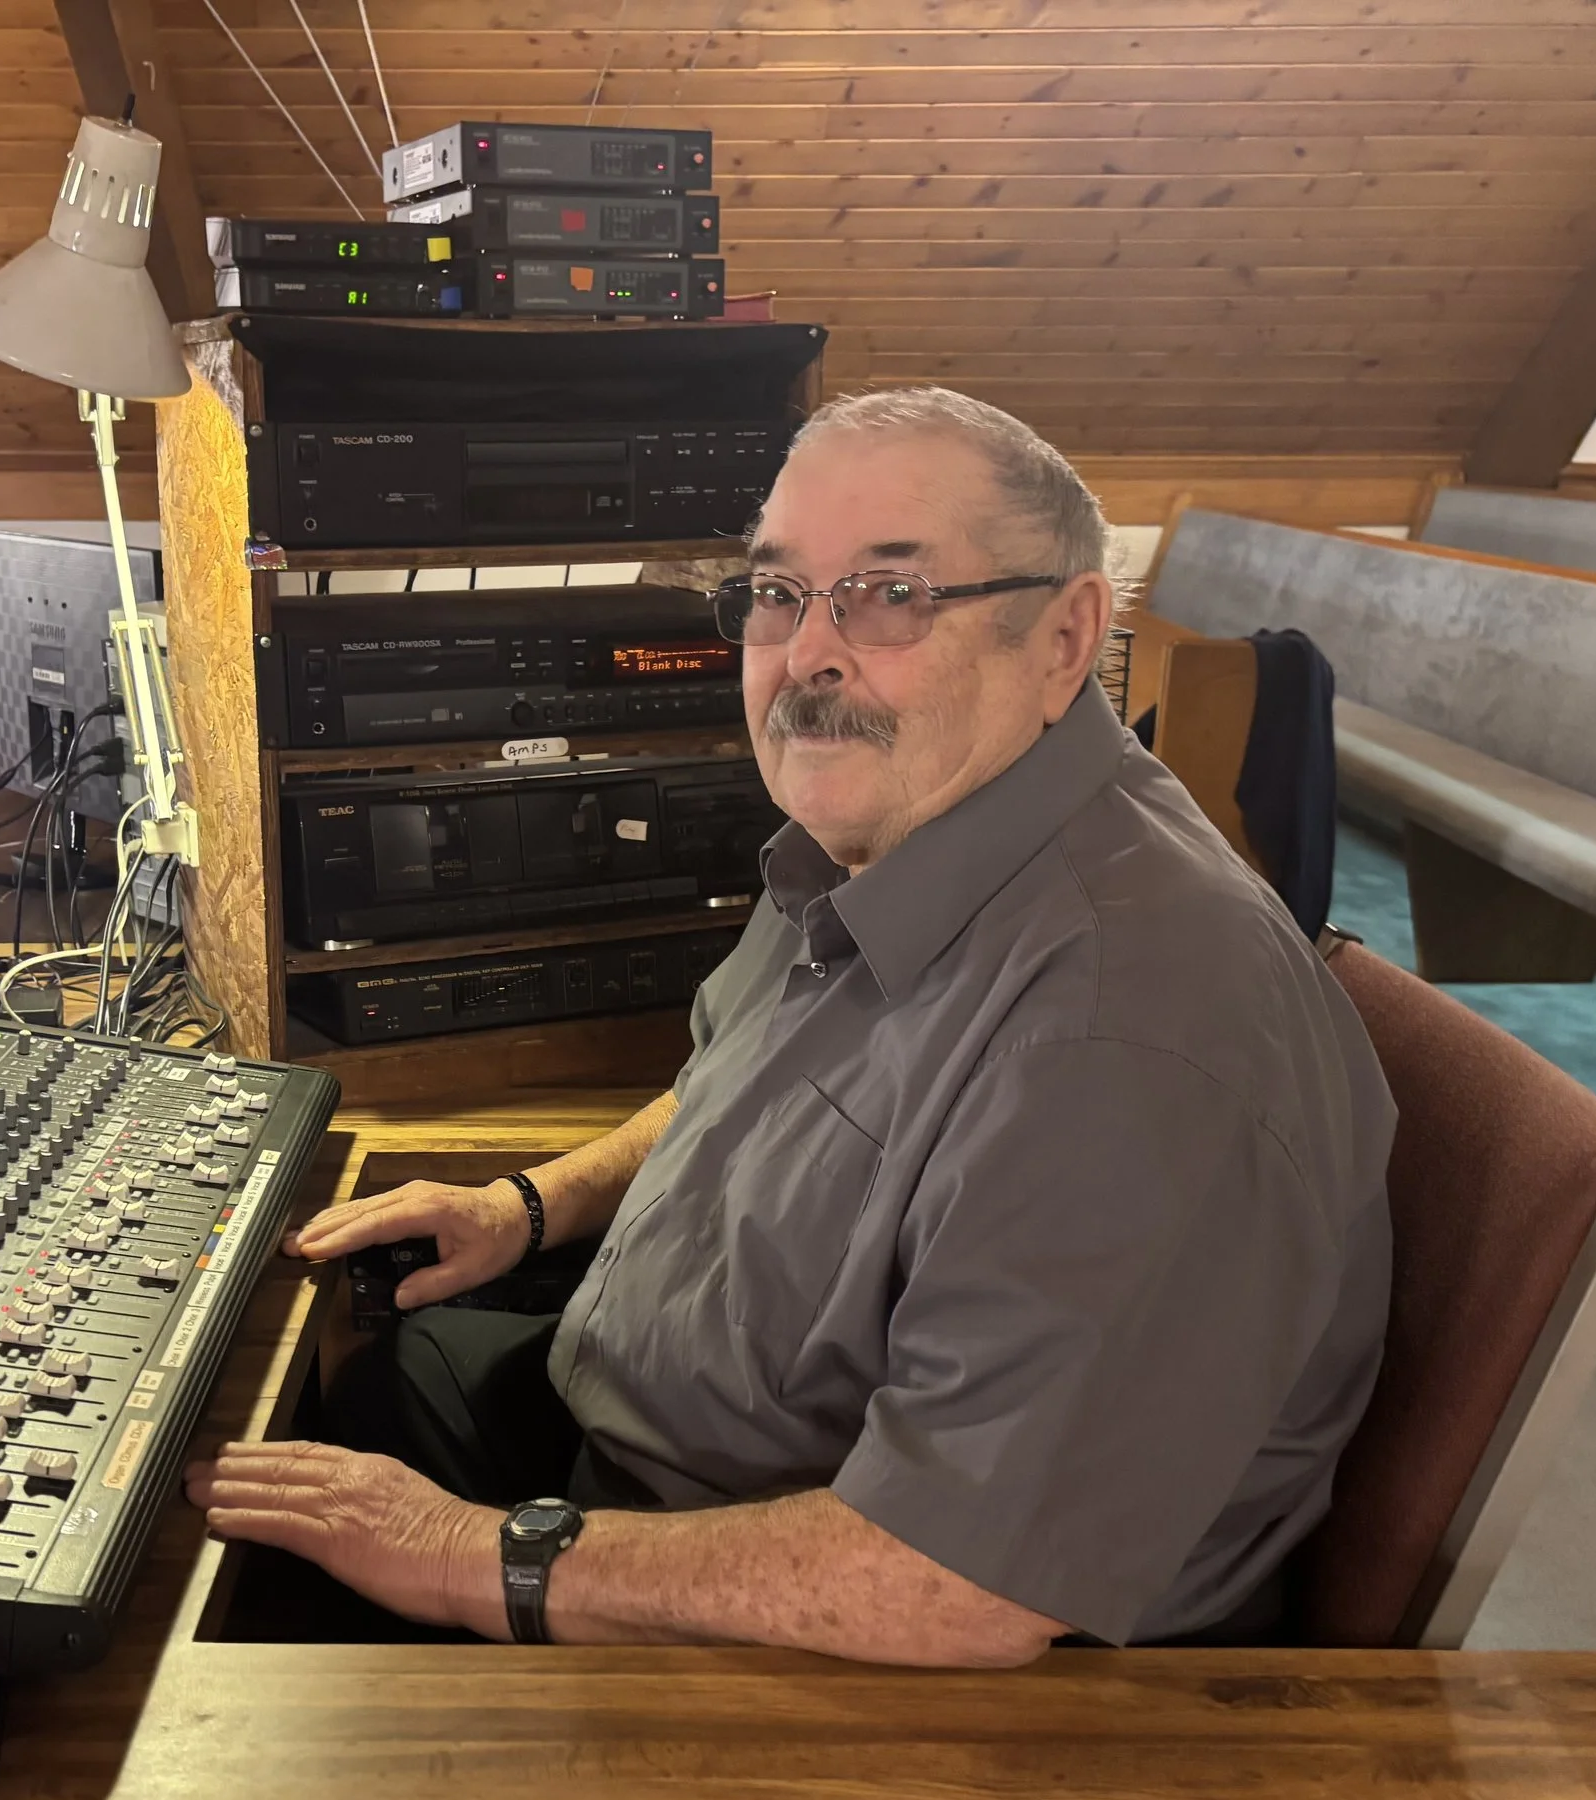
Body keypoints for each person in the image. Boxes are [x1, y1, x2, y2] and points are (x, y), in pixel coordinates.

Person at [184, 386, 1396, 1666]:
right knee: (309, 1415)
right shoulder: (890, 827)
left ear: (1063, 638)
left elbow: (952, 1582)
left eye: (890, 595)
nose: (805, 657)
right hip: (654, 1437)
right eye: (775, 594)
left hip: (838, 1643)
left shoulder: (1128, 1033)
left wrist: (474, 1556)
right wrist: (531, 1208)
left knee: (185, 1680)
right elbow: (736, 1082)